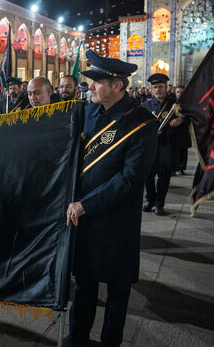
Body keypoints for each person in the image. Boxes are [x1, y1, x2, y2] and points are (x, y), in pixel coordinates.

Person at [65, 50, 158, 347]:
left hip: (117, 223)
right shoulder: (86, 112)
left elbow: (130, 179)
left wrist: (86, 204)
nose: (90, 86)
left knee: (117, 292)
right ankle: (78, 338)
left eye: (97, 81)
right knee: (84, 286)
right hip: (84, 221)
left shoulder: (143, 123)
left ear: (118, 85)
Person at [142, 73, 187, 215]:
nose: (158, 89)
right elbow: (140, 125)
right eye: (155, 87)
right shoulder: (146, 105)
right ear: (151, 89)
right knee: (148, 176)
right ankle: (150, 200)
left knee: (164, 177)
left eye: (161, 86)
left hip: (168, 147)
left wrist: (181, 121)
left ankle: (159, 204)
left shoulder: (175, 105)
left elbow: (188, 119)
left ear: (167, 87)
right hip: (151, 148)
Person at [172, 85, 191, 175]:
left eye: (181, 92)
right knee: (173, 150)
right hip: (173, 131)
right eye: (178, 92)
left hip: (183, 130)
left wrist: (182, 120)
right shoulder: (171, 103)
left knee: (183, 150)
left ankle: (181, 168)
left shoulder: (188, 104)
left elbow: (190, 118)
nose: (179, 94)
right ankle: (173, 168)